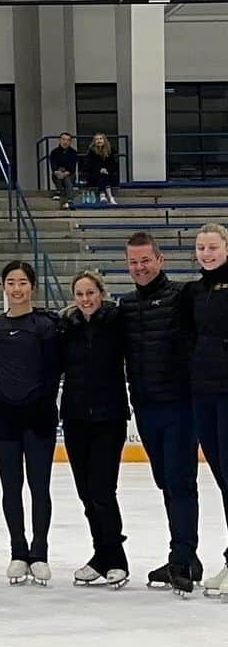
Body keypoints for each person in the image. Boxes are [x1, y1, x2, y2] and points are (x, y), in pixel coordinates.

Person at [119, 231, 202, 596]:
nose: (139, 267)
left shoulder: (182, 296)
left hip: (181, 407)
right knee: (166, 482)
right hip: (147, 408)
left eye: (145, 260)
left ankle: (182, 557)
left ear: (160, 260)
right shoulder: (126, 306)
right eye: (133, 262)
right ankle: (185, 554)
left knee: (181, 482)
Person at [0, 261, 60, 586]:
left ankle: (39, 552)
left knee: (39, 487)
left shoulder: (44, 326)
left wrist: (45, 407)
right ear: (4, 287)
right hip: (4, 419)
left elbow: (53, 373)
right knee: (11, 488)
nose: (17, 288)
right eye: (11, 282)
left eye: (22, 282)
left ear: (32, 287)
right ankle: (18, 551)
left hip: (38, 418)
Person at [59, 270, 130, 588]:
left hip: (109, 418)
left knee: (102, 491)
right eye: (79, 294)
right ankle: (101, 555)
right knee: (87, 493)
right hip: (75, 419)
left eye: (91, 292)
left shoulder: (116, 322)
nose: (86, 299)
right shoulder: (68, 328)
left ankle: (116, 558)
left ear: (101, 293)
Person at [187, 222, 228, 595]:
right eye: (201, 248)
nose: (206, 253)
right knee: (222, 479)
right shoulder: (196, 291)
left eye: (212, 247)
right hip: (203, 394)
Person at [84, 132, 119, 205]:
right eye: (97, 139)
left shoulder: (110, 151)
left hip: (108, 174)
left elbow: (113, 164)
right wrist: (100, 169)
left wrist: (107, 169)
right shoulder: (91, 152)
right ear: (94, 141)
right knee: (102, 175)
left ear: (104, 140)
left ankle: (103, 195)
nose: (99, 141)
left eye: (100, 139)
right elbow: (89, 164)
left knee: (104, 175)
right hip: (94, 175)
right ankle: (110, 197)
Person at [48, 132, 79, 207]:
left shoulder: (73, 152)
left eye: (68, 140)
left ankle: (64, 196)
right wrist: (58, 172)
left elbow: (72, 168)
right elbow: (53, 166)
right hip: (57, 174)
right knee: (59, 176)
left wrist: (65, 173)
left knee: (67, 179)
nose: (65, 142)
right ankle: (69, 200)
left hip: (70, 174)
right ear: (60, 140)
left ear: (70, 142)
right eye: (63, 139)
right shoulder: (54, 152)